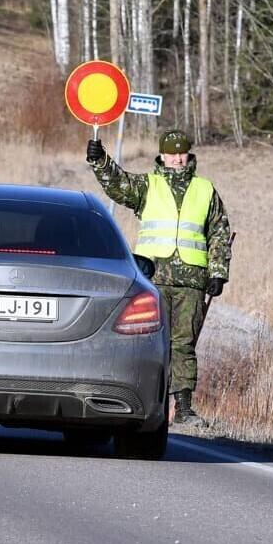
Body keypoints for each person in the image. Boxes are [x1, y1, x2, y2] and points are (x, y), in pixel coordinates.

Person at [87, 129, 233, 427]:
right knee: (151, 344)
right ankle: (150, 402)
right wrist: (99, 161)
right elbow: (119, 185)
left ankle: (184, 408)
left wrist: (218, 272)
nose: (177, 159)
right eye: (172, 153)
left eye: (182, 153)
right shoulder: (148, 185)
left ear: (189, 155)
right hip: (153, 279)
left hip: (193, 280)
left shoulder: (205, 190)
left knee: (184, 344)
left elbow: (218, 231)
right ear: (162, 155)